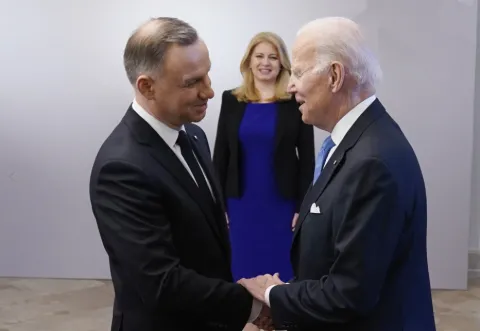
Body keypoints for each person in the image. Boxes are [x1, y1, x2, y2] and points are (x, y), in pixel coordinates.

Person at [237, 17, 437, 331]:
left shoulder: (372, 162)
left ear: (334, 76)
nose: (291, 85)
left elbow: (350, 293)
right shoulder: (356, 141)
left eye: (299, 73)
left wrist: (273, 294)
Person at [89, 17, 267, 331]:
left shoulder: (194, 137)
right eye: (192, 82)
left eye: (207, 74)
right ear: (147, 86)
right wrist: (252, 303)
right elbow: (161, 282)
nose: (209, 91)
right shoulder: (121, 168)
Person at [212, 32, 315, 287]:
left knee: (282, 268)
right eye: (259, 56)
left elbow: (307, 160)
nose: (265, 63)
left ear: (282, 63)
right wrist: (218, 205)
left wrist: (301, 205)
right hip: (240, 202)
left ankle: (281, 321)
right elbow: (221, 155)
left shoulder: (295, 100)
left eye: (273, 57)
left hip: (282, 202)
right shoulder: (231, 99)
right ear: (249, 61)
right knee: (242, 266)